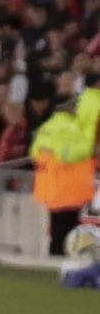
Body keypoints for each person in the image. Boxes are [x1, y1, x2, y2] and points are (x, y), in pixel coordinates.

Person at [35, 84, 97, 258]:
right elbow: (67, 155)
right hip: (67, 187)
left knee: (57, 231)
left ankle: (54, 260)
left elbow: (36, 153)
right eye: (74, 103)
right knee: (66, 232)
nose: (77, 107)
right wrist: (90, 150)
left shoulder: (47, 127)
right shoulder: (68, 128)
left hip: (54, 187)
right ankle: (60, 263)